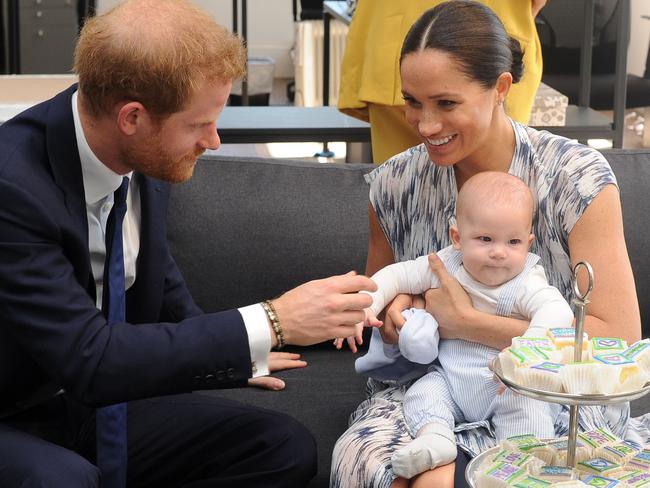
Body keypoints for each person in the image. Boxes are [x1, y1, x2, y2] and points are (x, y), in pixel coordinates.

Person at [0, 1, 378, 487]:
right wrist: (273, 320)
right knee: (65, 480)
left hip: (84, 403)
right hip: (15, 409)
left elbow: (158, 282)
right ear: (132, 117)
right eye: (199, 125)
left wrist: (241, 350)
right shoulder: (14, 187)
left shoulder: (142, 160)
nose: (215, 141)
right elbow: (89, 358)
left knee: (281, 448)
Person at [330, 2, 646, 488]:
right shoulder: (393, 184)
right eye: (413, 101)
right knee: (392, 470)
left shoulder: (575, 178)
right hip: (430, 387)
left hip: (553, 399)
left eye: (446, 103)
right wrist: (396, 311)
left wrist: (468, 323)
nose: (425, 124)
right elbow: (381, 296)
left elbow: (616, 341)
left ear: (500, 88)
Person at [337, 171, 573, 479]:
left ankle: (520, 465)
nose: (499, 252)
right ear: (457, 238)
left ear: (528, 243)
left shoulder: (527, 281)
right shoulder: (445, 264)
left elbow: (557, 311)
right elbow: (396, 276)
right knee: (424, 393)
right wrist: (365, 306)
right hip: (450, 378)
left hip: (505, 385)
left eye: (513, 241)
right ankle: (436, 438)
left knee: (529, 410)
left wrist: (526, 353)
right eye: (485, 239)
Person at [337, 0, 548, 163]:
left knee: (404, 193)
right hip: (491, 35)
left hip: (391, 30)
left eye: (447, 102)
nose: (428, 127)